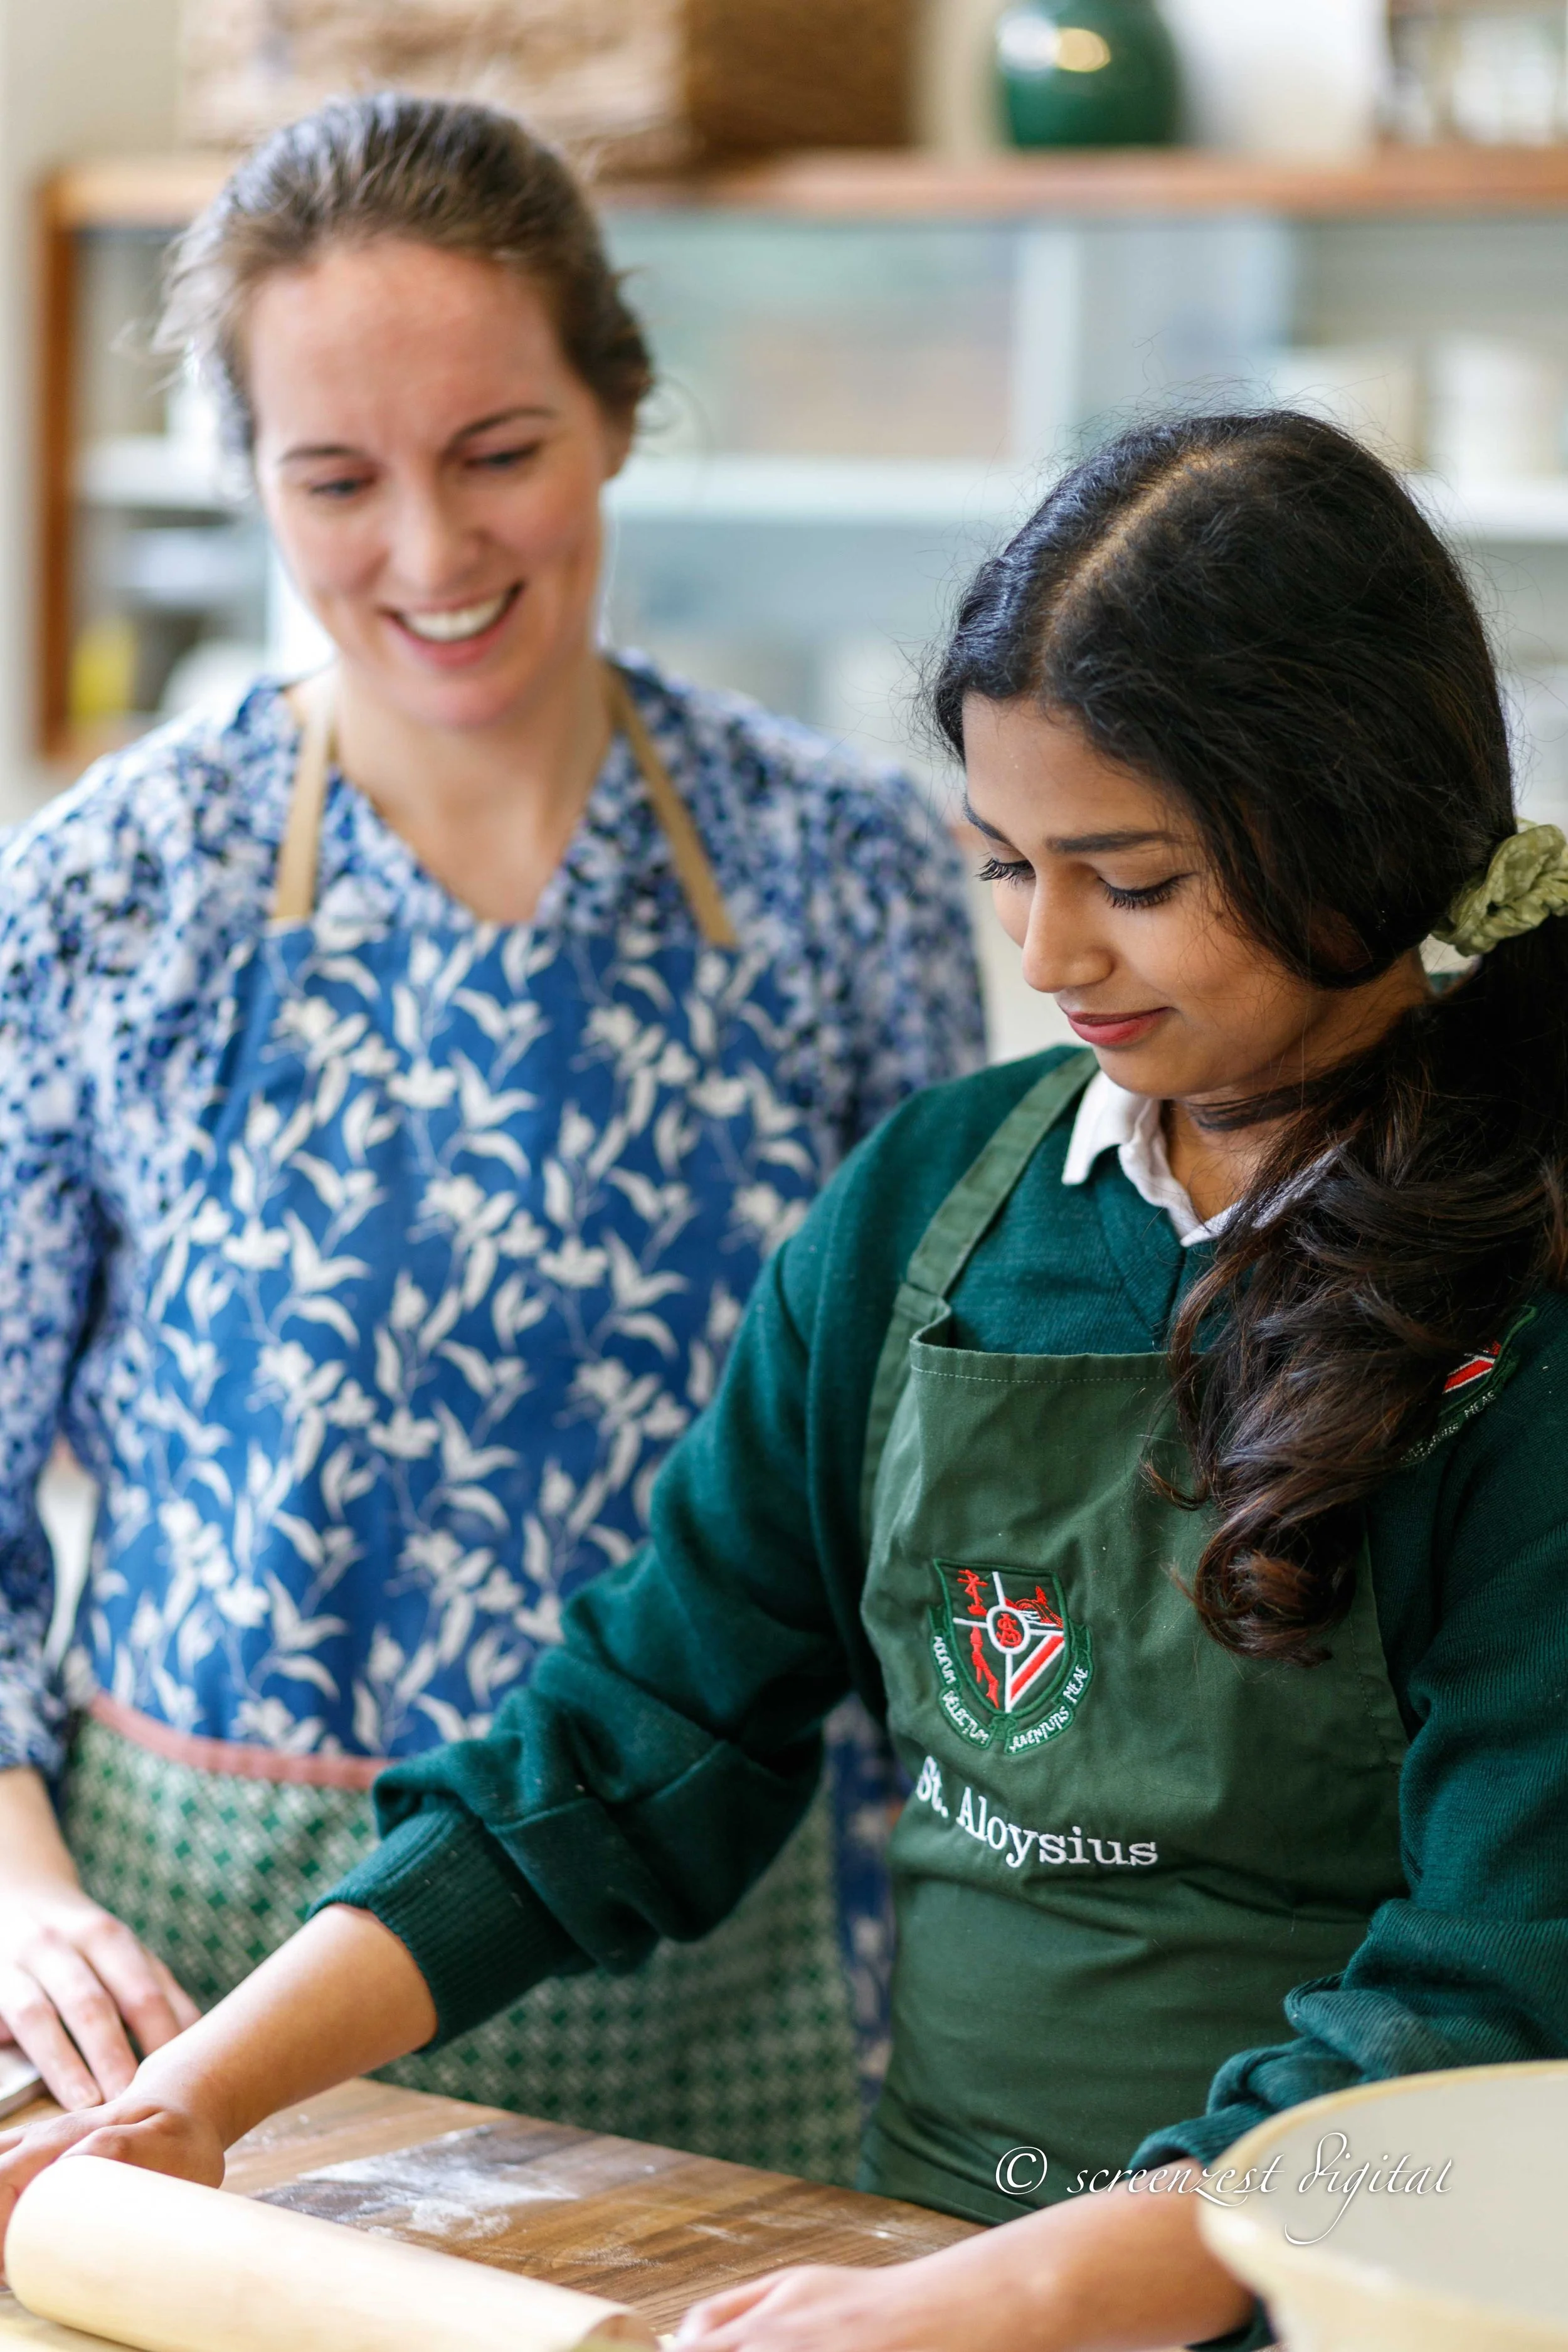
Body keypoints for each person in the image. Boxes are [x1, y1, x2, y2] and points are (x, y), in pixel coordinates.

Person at [10, 403, 1568, 2352]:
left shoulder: (1524, 1295)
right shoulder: (938, 1202)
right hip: (914, 2234)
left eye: (1136, 875)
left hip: (1343, 2302)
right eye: (1006, 862)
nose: (1052, 947)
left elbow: (1484, 2002)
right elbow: (642, 1722)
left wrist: (1009, 2299)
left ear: (1353, 825)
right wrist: (199, 2094)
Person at [0, 93, 985, 2181]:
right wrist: (24, 1894)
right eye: (336, 479)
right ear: (250, 475)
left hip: (714, 1938)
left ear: (617, 412)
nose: (434, 557)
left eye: (499, 455)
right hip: (199, 1973)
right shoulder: (102, 895)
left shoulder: (842, 870)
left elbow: (925, 1490)